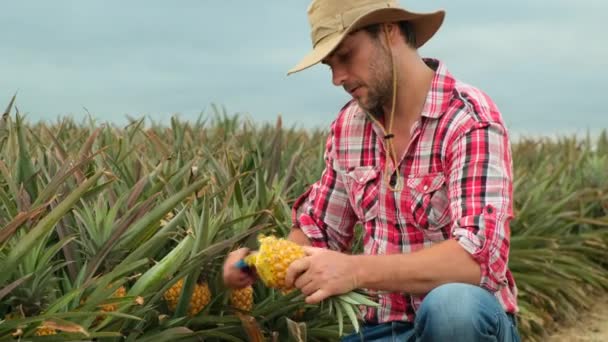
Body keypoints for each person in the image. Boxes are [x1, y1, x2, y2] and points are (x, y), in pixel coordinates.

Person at [223, 0, 521, 340]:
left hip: (461, 326)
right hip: (379, 330)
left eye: (347, 55)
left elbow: (476, 260)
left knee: (453, 308)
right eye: (329, 66)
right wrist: (254, 262)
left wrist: (353, 270)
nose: (338, 78)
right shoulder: (349, 126)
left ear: (389, 31)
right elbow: (320, 231)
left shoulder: (468, 119)